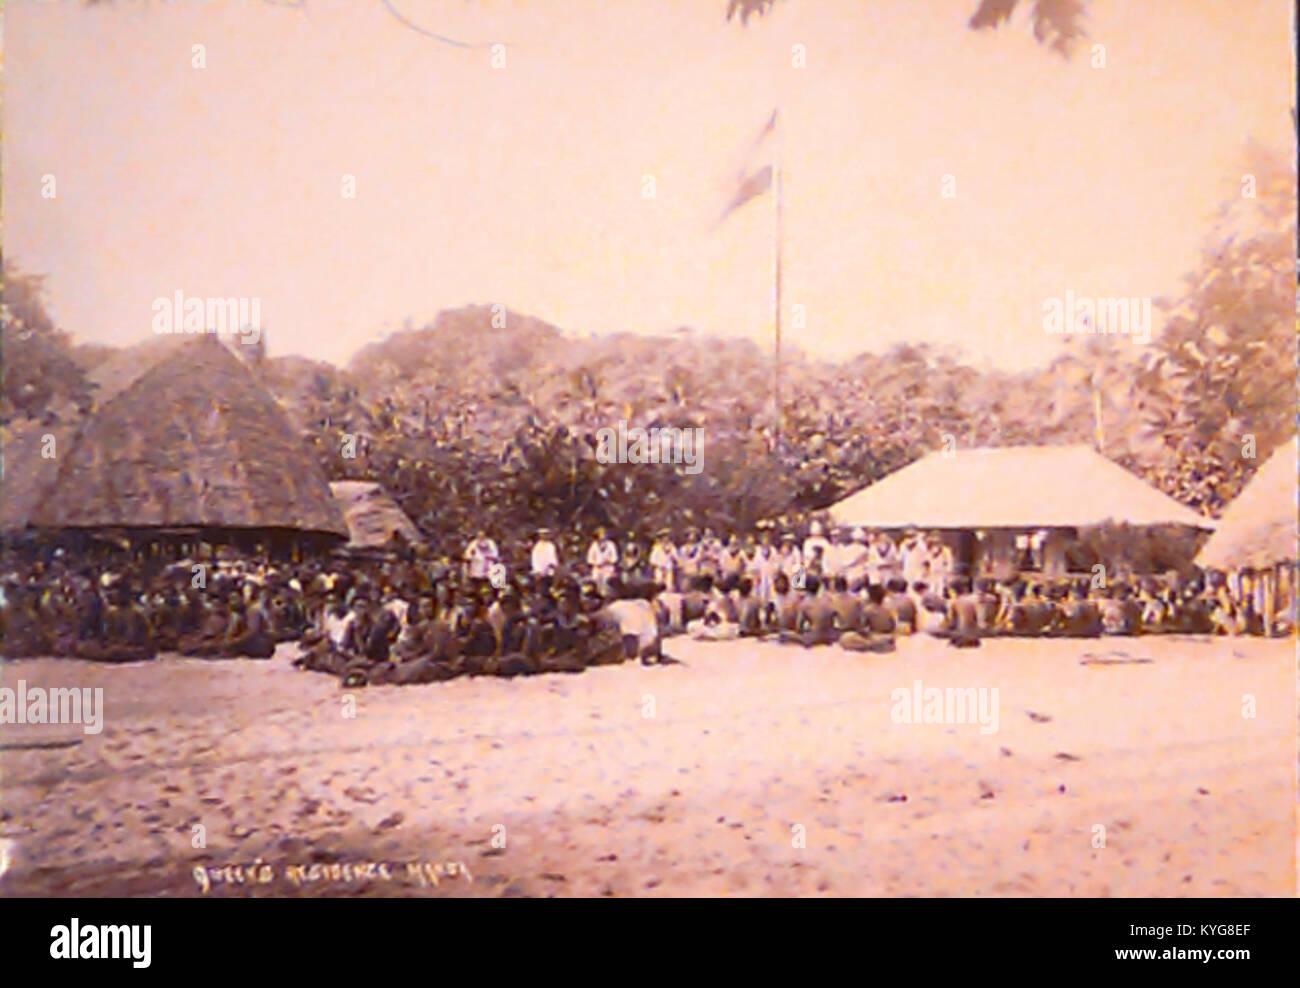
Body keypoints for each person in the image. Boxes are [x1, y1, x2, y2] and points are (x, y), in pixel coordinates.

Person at [586, 527, 619, 596]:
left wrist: (607, 561)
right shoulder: (594, 546)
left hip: (608, 568)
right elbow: (589, 559)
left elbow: (615, 558)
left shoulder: (610, 545)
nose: (601, 540)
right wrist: (596, 563)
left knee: (607, 582)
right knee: (595, 580)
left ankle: (607, 597)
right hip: (597, 569)